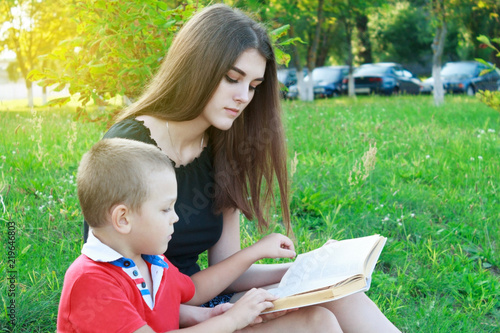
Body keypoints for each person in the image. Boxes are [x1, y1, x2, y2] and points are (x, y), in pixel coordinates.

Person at [84, 4, 401, 332]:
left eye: (253, 86)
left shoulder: (222, 145)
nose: (243, 97)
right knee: (317, 324)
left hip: (204, 306)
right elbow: (117, 283)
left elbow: (226, 271)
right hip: (158, 318)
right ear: (197, 66)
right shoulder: (130, 147)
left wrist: (309, 270)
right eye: (232, 79)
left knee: (339, 296)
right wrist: (247, 275)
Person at [61, 138, 341, 332]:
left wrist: (206, 314)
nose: (175, 217)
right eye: (165, 209)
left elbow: (192, 291)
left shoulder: (149, 260)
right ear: (123, 218)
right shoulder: (90, 281)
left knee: (317, 321)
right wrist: (231, 320)